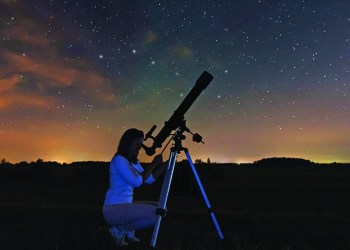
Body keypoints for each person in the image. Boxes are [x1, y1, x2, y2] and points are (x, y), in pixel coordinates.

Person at [103, 128, 166, 246]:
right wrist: (154, 163)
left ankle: (125, 229)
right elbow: (136, 182)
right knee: (157, 214)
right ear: (128, 143)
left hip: (126, 205)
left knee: (161, 207)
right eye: (137, 144)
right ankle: (119, 230)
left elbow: (149, 179)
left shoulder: (133, 162)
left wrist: (166, 164)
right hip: (113, 209)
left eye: (141, 145)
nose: (139, 148)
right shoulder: (119, 160)